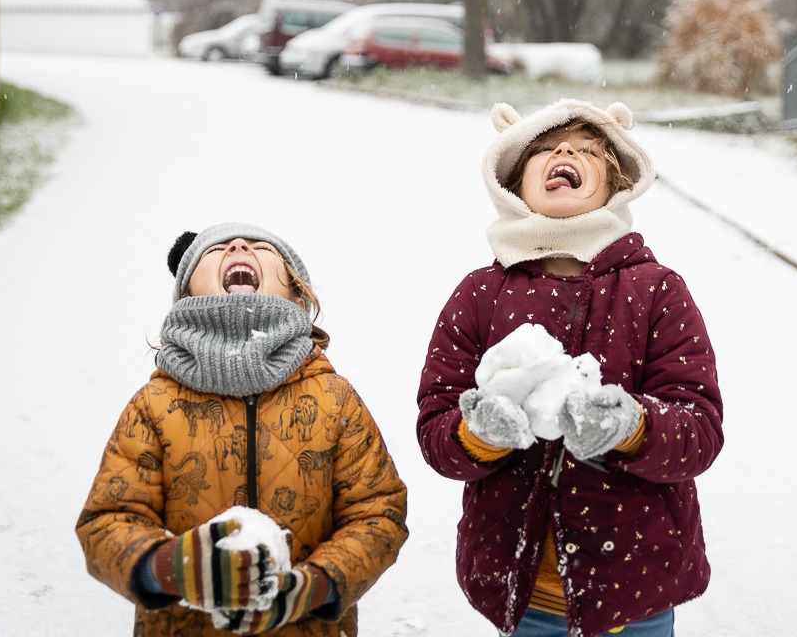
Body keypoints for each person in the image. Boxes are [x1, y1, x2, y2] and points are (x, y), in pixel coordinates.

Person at [416, 100, 724, 637]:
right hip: (522, 592)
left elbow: (699, 429)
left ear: (614, 184)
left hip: (636, 592)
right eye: (543, 148)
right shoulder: (481, 294)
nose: (564, 152)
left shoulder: (656, 290)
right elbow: (436, 430)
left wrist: (632, 426)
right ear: (514, 183)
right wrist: (480, 433)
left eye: (587, 149)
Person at [78, 223, 408, 636]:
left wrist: (314, 587)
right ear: (187, 293)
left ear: (296, 291)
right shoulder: (154, 405)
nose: (237, 245)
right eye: (214, 248)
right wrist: (171, 568)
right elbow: (107, 520)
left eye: (261, 246)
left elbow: (379, 513)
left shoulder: (334, 399)